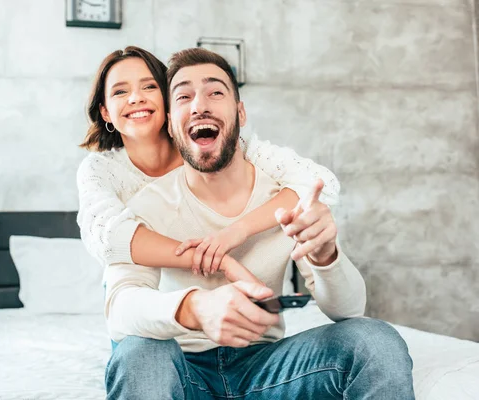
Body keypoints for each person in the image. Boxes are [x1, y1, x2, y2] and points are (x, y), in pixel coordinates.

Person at [103, 48, 415, 399]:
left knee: (374, 339)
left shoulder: (287, 197)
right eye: (184, 96)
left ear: (240, 112)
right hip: (181, 373)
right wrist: (195, 307)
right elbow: (120, 309)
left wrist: (327, 256)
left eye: (215, 92)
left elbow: (349, 310)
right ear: (171, 125)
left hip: (268, 368)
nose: (199, 105)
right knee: (138, 354)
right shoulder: (146, 207)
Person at [76, 46, 341, 281]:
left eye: (149, 87)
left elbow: (319, 182)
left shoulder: (217, 148)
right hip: (144, 288)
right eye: (120, 91)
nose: (136, 98)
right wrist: (217, 260)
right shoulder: (99, 170)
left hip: (220, 284)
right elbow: (108, 237)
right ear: (105, 111)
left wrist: (240, 230)